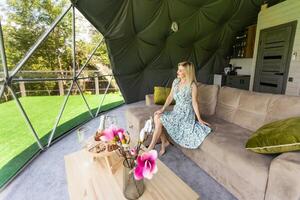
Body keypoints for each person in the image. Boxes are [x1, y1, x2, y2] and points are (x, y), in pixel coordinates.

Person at [147, 61, 212, 156]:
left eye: (180, 70)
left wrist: (199, 119)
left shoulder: (192, 85)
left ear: (187, 72)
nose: (177, 72)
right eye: (178, 69)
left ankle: (151, 147)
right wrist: (163, 109)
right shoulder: (176, 82)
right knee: (157, 116)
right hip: (176, 112)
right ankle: (164, 142)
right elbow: (170, 97)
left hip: (186, 115)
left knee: (158, 119)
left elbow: (194, 102)